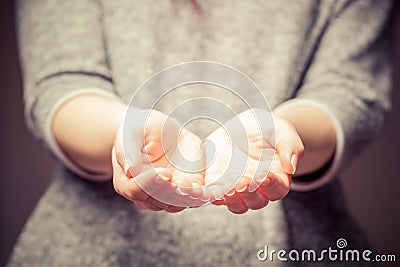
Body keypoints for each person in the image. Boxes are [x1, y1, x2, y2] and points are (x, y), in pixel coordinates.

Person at [9, 0, 393, 266]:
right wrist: (130, 134)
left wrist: (282, 135)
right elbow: (63, 84)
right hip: (88, 250)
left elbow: (350, 91)